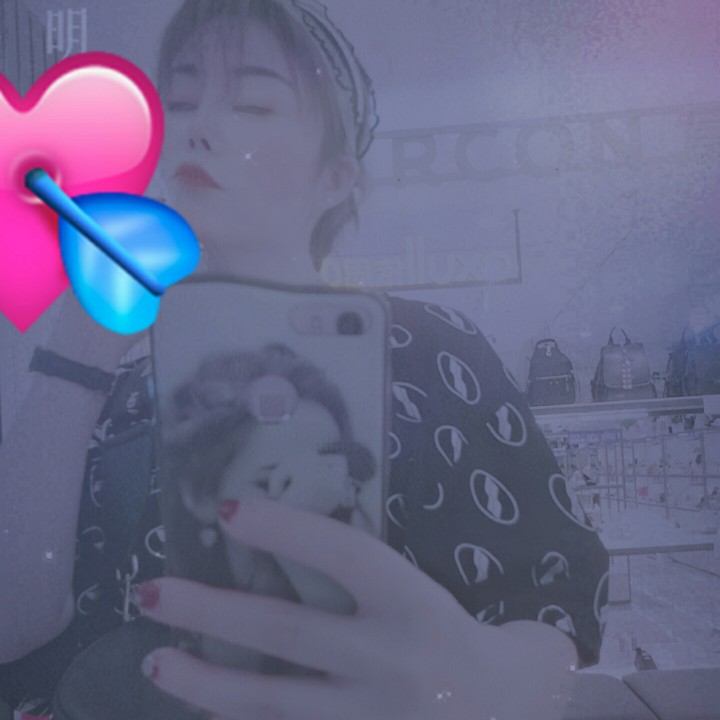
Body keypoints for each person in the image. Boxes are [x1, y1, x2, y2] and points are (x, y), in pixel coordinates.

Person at [0, 1, 609, 718]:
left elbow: (550, 600)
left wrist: (486, 681)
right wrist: (77, 349)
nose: (198, 127)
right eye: (182, 101)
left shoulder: (430, 352)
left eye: (252, 104)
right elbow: (13, 628)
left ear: (336, 178)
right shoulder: (111, 385)